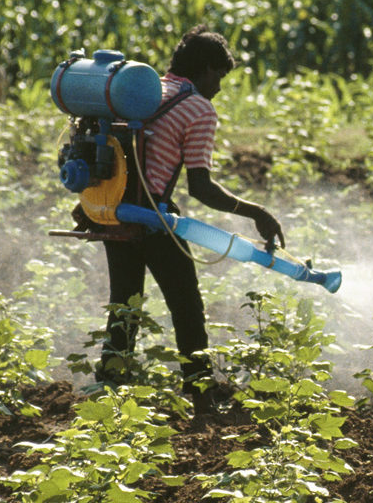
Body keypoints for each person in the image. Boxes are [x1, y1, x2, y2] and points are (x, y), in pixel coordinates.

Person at [96, 25, 284, 411]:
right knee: (186, 304)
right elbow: (201, 187)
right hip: (152, 217)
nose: (219, 87)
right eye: (219, 76)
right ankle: (200, 392)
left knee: (125, 304)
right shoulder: (198, 108)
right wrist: (257, 213)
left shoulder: (146, 92)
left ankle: (110, 388)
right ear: (206, 69)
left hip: (112, 209)